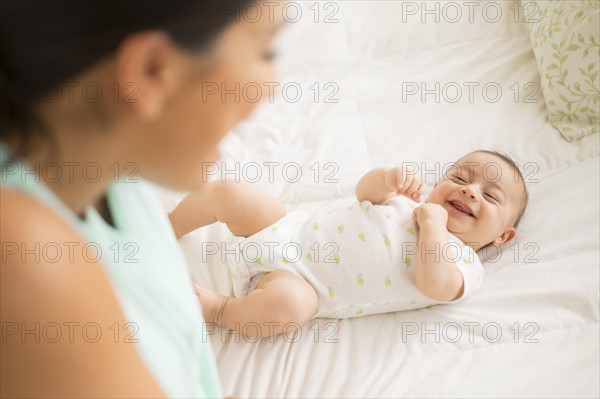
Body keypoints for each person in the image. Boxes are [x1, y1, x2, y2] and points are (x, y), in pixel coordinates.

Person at [0, 1, 284, 397]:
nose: (270, 88)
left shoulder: (115, 173)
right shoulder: (27, 261)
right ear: (151, 70)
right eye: (265, 50)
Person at [169, 150, 528, 337]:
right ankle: (169, 224)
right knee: (230, 193)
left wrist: (434, 228)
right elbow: (364, 194)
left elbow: (435, 285)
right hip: (282, 227)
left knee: (290, 309)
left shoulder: (465, 263)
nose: (469, 190)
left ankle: (219, 310)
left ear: (503, 236)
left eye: (490, 196)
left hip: (296, 283)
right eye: (460, 177)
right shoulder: (412, 203)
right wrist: (386, 179)